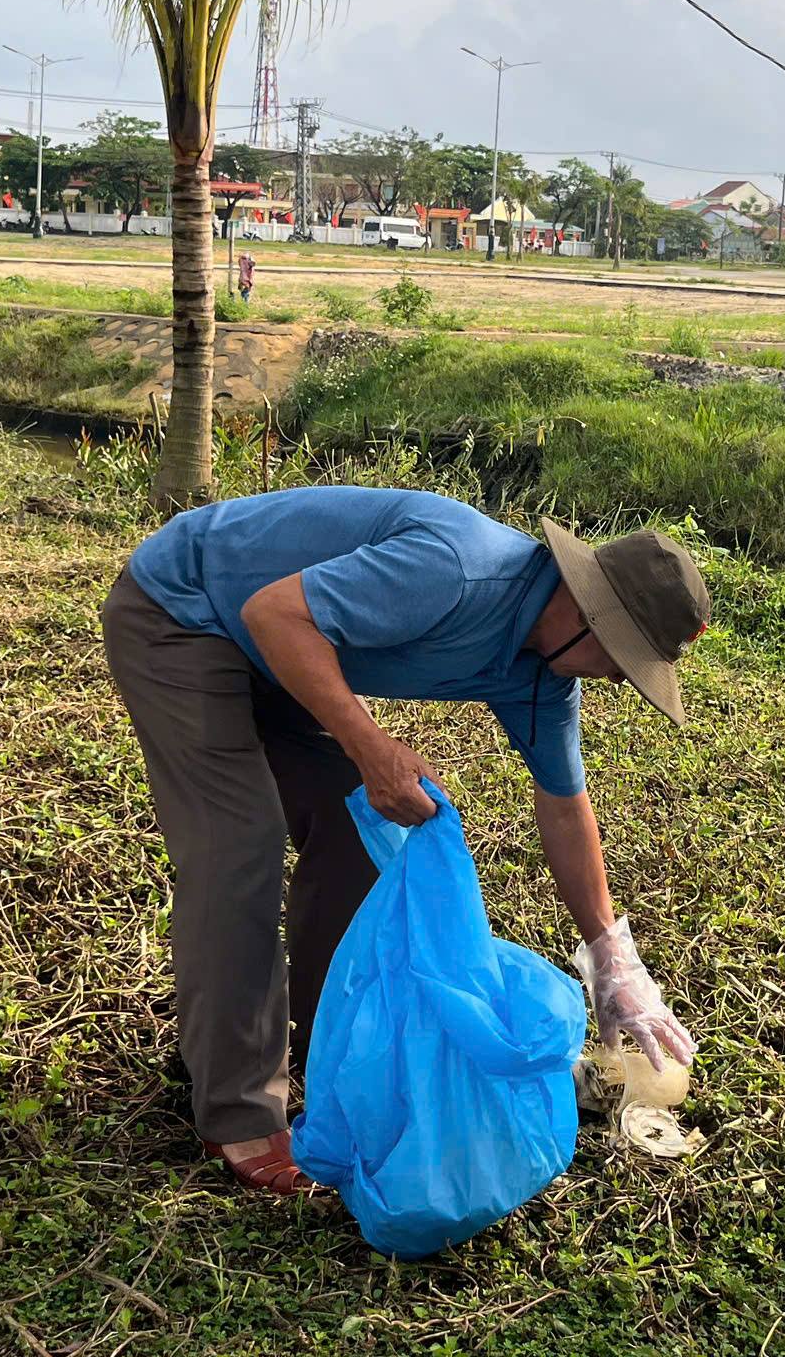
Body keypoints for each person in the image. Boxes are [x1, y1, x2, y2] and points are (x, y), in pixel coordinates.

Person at [102, 488, 708, 1196]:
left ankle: (325, 1048)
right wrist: (369, 746)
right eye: (622, 659)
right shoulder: (459, 571)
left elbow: (565, 806)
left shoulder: (541, 676)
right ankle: (237, 1112)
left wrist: (611, 955)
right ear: (584, 613)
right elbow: (273, 613)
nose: (616, 679)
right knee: (239, 849)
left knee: (358, 838)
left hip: (278, 648)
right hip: (186, 610)